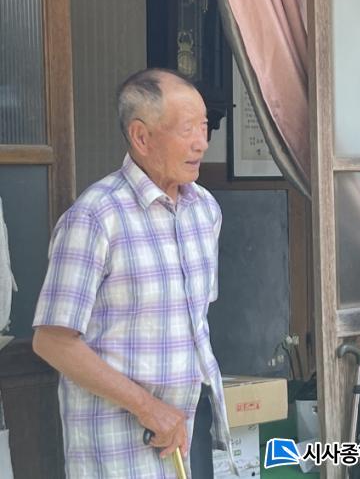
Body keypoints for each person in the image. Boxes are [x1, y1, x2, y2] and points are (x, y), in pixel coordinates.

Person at [32, 68, 231, 478]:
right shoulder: (95, 217)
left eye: (204, 127)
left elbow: (194, 324)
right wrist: (148, 407)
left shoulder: (205, 210)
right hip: (117, 447)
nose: (202, 142)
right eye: (187, 129)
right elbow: (52, 341)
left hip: (188, 431)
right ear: (141, 137)